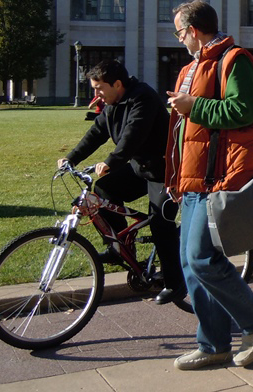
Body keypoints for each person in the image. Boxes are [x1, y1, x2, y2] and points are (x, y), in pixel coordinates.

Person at [165, 0, 253, 371]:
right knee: (190, 264)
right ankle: (213, 346)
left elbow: (242, 110)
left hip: (219, 179)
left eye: (180, 33)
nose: (180, 41)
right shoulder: (191, 68)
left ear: (193, 30)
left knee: (202, 259)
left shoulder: (234, 59)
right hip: (192, 181)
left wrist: (192, 105)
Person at [59, 59, 184, 304]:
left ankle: (176, 283)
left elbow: (133, 135)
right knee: (104, 189)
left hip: (166, 171)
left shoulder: (143, 97)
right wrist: (71, 159)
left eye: (99, 88)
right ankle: (120, 248)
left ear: (117, 84)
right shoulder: (113, 103)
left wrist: (111, 162)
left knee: (161, 225)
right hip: (141, 168)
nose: (96, 94)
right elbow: (97, 132)